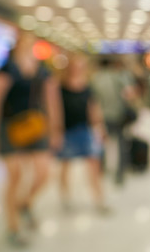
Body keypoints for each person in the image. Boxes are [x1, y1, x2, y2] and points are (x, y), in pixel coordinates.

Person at [0, 32, 62, 247]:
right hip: (9, 128)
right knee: (15, 176)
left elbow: (51, 100)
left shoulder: (42, 70)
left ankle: (24, 203)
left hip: (35, 127)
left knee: (43, 173)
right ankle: (13, 226)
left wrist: (55, 128)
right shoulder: (7, 69)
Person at [57, 55, 108, 213]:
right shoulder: (59, 87)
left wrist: (100, 127)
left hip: (85, 130)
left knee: (94, 166)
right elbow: (55, 110)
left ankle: (99, 200)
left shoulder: (88, 87)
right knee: (66, 166)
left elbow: (93, 108)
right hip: (67, 131)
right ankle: (66, 199)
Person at [91, 57, 134, 186]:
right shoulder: (117, 77)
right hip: (118, 115)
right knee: (121, 144)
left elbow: (92, 101)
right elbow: (129, 93)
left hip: (102, 116)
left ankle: (101, 170)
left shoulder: (95, 79)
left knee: (102, 144)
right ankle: (120, 173)